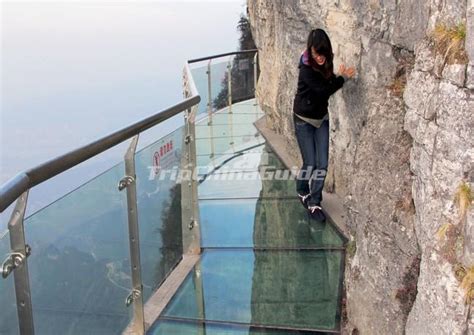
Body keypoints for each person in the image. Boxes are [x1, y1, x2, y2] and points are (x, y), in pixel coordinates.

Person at [293, 28, 355, 221]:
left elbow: (327, 85)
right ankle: (302, 188)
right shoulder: (305, 70)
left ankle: (314, 202)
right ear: (310, 51)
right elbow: (322, 90)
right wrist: (342, 79)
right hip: (303, 119)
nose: (320, 57)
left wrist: (337, 78)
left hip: (321, 118)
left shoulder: (326, 61)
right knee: (310, 164)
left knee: (322, 164)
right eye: (316, 53)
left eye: (323, 53)